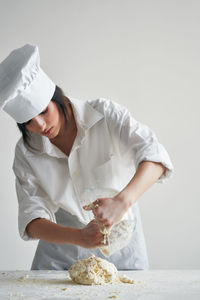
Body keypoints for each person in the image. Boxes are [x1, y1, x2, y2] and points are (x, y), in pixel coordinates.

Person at [0, 44, 174, 270]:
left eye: (44, 112)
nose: (40, 125)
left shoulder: (105, 114)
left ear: (57, 97)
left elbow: (155, 158)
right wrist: (78, 237)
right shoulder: (26, 152)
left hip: (122, 243)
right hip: (62, 247)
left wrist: (122, 202)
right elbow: (31, 219)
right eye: (28, 122)